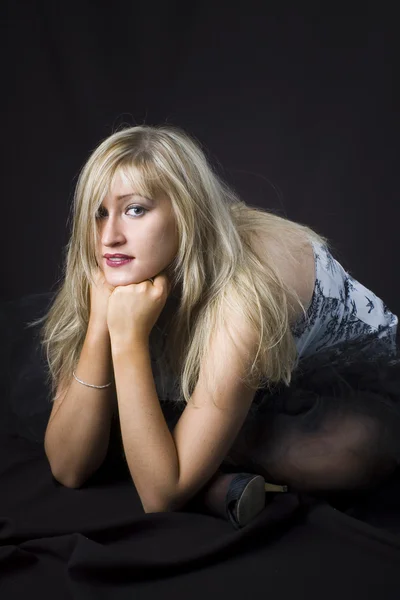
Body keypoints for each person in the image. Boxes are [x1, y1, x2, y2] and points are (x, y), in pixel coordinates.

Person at [32, 124, 399, 530]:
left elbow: (159, 496)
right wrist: (102, 323)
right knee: (121, 431)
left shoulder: (248, 288)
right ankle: (206, 471)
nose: (110, 236)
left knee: (344, 455)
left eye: (135, 209)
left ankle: (203, 464)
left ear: (186, 211)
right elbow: (68, 468)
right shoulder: (107, 263)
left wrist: (129, 338)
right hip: (245, 393)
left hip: (346, 391)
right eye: (99, 213)